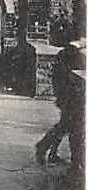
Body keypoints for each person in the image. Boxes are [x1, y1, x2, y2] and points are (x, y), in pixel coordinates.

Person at [35, 39, 85, 168]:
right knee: (69, 127)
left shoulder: (67, 53)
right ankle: (46, 148)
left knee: (65, 125)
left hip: (68, 96)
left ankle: (49, 151)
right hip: (74, 98)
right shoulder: (76, 56)